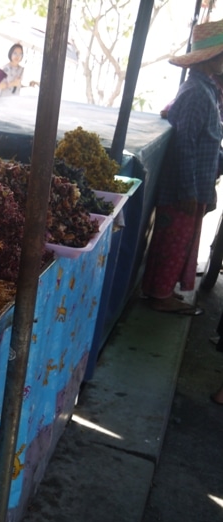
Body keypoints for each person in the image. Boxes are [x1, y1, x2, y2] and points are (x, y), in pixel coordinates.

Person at [141, 19, 223, 315]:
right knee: (173, 241)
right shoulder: (196, 94)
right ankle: (159, 295)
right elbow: (184, 145)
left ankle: (161, 290)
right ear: (210, 58)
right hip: (182, 189)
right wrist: (189, 190)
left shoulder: (207, 90)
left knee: (182, 240)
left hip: (195, 184)